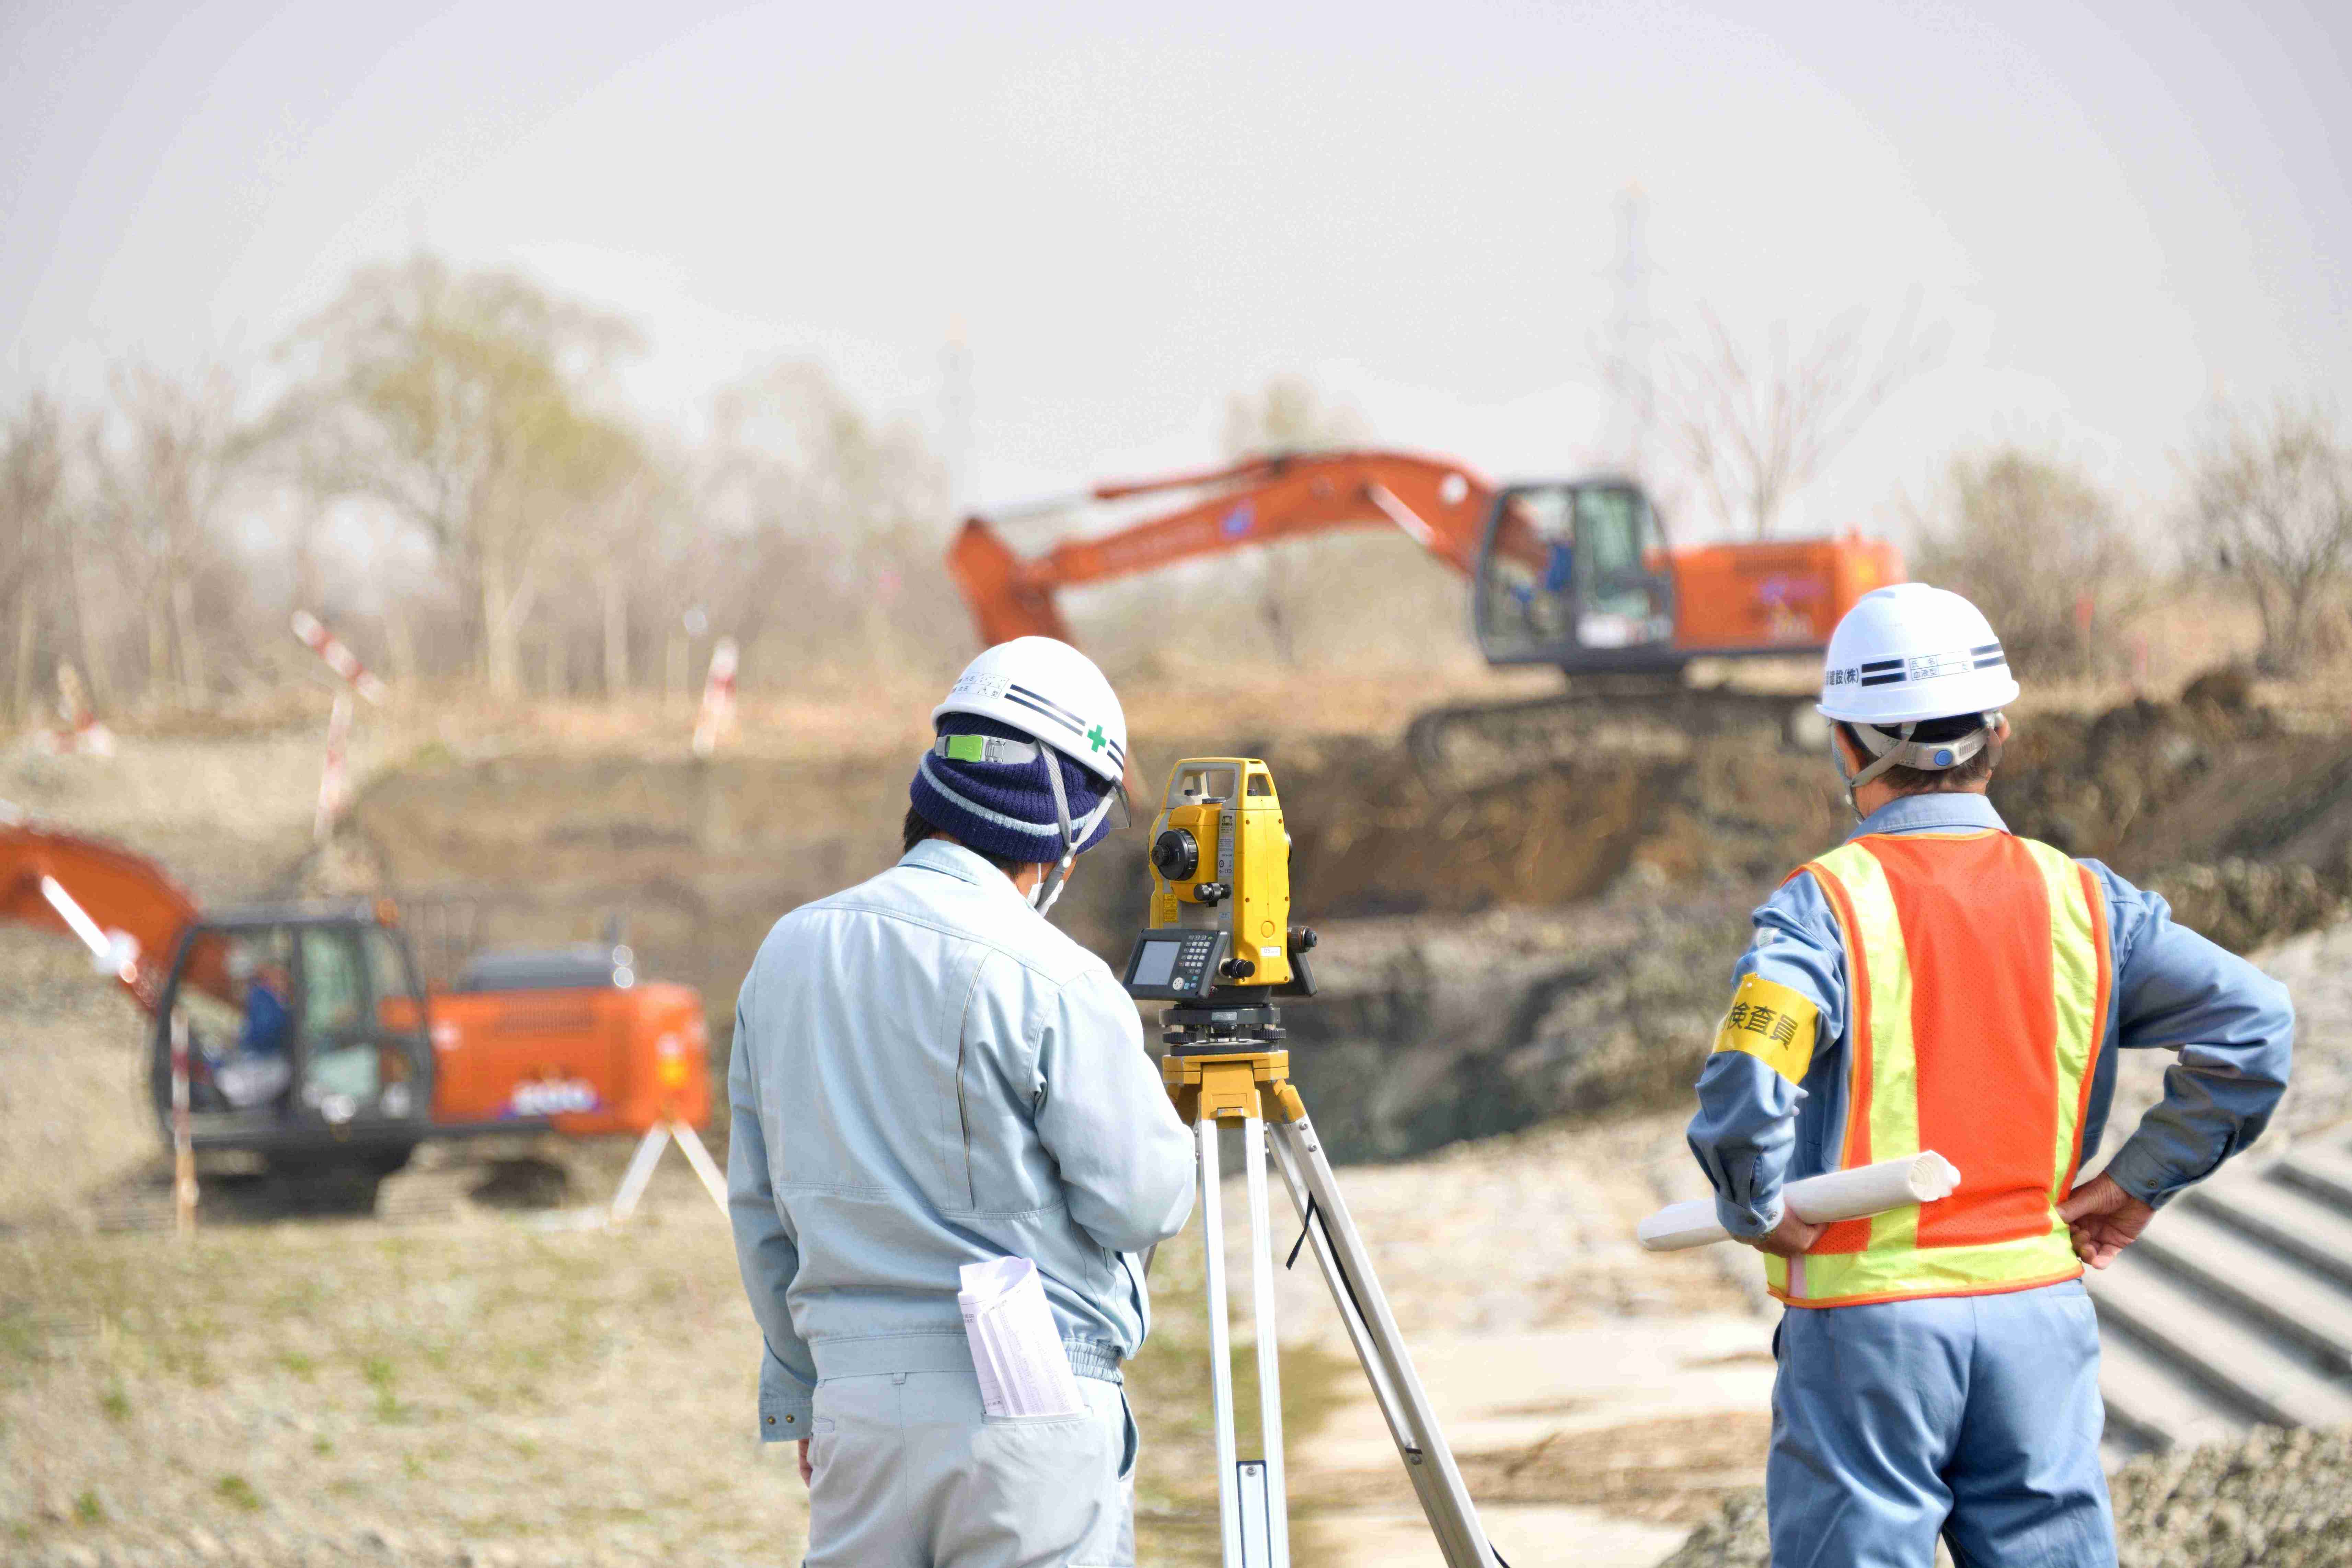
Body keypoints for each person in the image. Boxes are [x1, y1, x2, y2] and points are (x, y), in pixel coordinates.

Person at [1686, 583, 2293, 1567]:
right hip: (2034, 1317)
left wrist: (1756, 1204)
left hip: (1869, 1325)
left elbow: (1747, 1073)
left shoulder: (1821, 910)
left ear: (1845, 744)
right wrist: (2137, 1183)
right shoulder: (2087, 904)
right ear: (1997, 734)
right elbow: (2255, 1029)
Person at [727, 636, 1196, 1568]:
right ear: (1059, 833)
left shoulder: (785, 953)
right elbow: (1142, 1202)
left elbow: (760, 1214)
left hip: (858, 1409)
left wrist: (812, 1390)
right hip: (1028, 1399)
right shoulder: (1055, 978)